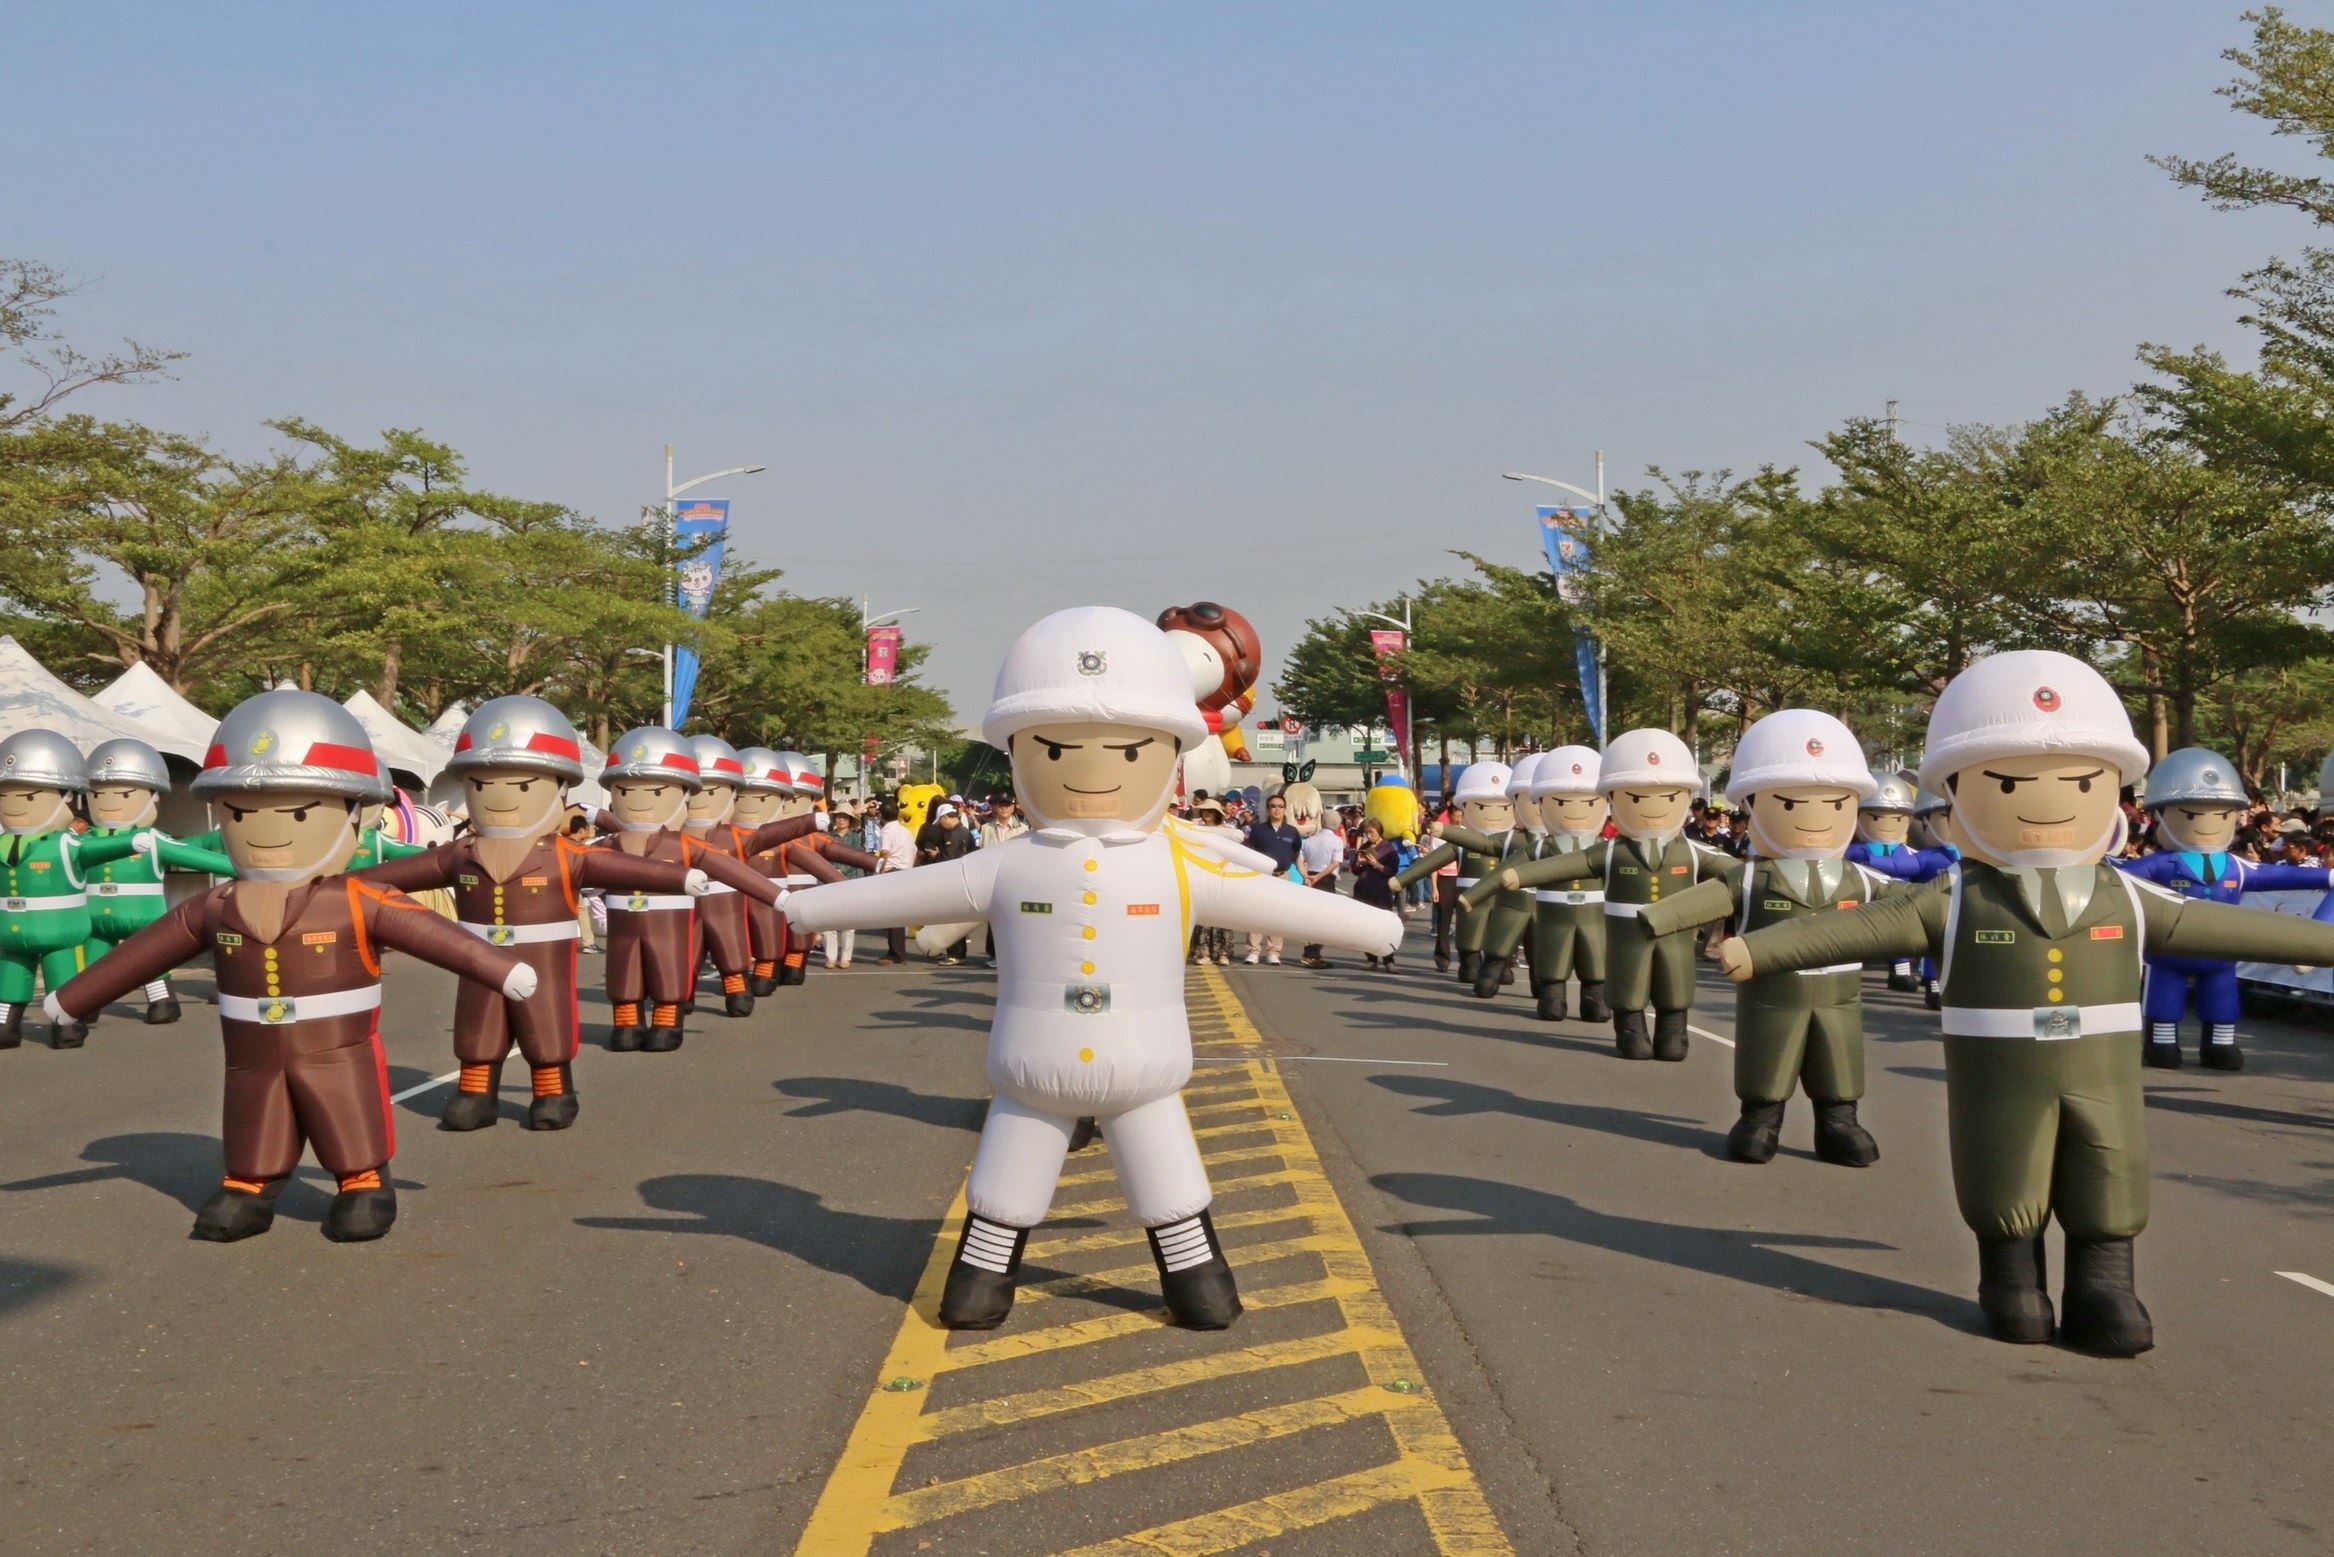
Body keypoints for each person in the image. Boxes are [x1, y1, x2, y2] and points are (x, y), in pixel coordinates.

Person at [781, 606, 1401, 1331]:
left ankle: (1143, 1281)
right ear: (1018, 754)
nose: (1094, 770)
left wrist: (1374, 924)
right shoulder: (1024, 863)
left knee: (1156, 1185)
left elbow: (1272, 901)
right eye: (1055, 748)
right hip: (1066, 1068)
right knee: (1021, 1188)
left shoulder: (1169, 863)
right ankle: (1147, 1284)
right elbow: (903, 892)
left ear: (1169, 755)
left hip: (1104, 1069)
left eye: (1131, 750)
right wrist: (807, 911)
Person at [1718, 650, 2334, 1356]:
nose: (2050, 799)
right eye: (2007, 781)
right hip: (1998, 1079)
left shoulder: (2128, 897)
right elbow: (1855, 926)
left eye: (2080, 780)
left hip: (2102, 1074)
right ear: (1957, 789)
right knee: (2003, 1170)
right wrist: (1759, 949)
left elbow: (2228, 923)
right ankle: (2010, 1279)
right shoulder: (1952, 900)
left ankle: (2103, 1283)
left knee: (2109, 1167)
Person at [1238, 793, 1303, 964]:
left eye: (1280, 806)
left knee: (1278, 913)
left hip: (1282, 875)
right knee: (1257, 912)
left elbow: (1296, 852)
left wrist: (1304, 874)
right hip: (1262, 875)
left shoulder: (1292, 832)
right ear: (1267, 809)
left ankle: (1274, 951)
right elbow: (1249, 852)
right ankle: (1253, 950)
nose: (1277, 809)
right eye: (1273, 806)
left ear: (1285, 809)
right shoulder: (1258, 830)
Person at [1350, 818, 1400, 969]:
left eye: (1371, 832)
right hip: (1364, 890)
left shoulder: (1388, 847)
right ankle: (1371, 958)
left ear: (1379, 831)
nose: (1368, 836)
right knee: (1367, 927)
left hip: (1381, 891)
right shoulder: (1364, 847)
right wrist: (1359, 863)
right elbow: (1354, 870)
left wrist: (1377, 864)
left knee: (1384, 926)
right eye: (1366, 833)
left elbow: (1392, 870)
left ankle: (1389, 959)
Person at [1296, 814, 1345, 967]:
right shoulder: (1336, 841)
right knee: (1326, 920)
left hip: (1310, 878)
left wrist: (1306, 875)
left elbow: (1299, 859)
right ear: (1337, 824)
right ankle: (1311, 953)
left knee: (1311, 917)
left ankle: (1311, 952)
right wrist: (1319, 876)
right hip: (1325, 880)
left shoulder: (1309, 840)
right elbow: (1335, 863)